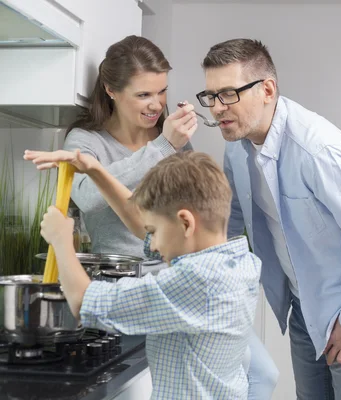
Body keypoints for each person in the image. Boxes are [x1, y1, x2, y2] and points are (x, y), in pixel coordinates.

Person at [58, 34, 278, 399]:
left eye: (160, 92)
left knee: (263, 374)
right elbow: (85, 197)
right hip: (131, 286)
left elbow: (188, 201)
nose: (156, 104)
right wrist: (162, 146)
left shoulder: (169, 136)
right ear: (111, 90)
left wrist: (169, 143)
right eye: (144, 94)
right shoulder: (88, 141)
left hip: (186, 281)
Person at [197, 38, 341, 399]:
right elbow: (230, 225)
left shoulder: (319, 150)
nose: (216, 108)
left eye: (228, 94)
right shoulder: (236, 147)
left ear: (267, 90)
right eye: (211, 96)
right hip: (303, 304)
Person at [37, 150, 261, 399]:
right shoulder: (238, 261)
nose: (152, 246)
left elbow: (85, 302)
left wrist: (61, 242)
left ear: (185, 223)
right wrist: (95, 170)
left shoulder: (197, 281)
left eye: (154, 232)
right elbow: (139, 222)